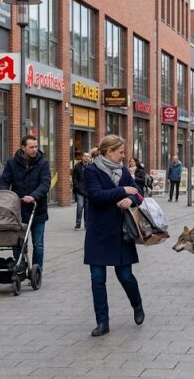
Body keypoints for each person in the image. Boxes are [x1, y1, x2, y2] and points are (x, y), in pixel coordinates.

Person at [84, 135, 145, 337]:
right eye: (120, 152)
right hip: (98, 232)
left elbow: (139, 194)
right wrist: (123, 190)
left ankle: (137, 305)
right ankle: (103, 322)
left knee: (125, 275)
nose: (123, 155)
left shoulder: (124, 171)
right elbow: (96, 196)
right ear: (109, 152)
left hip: (121, 231)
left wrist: (129, 198)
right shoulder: (91, 171)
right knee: (97, 278)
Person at [0, 135, 51, 268]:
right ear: (23, 147)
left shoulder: (43, 163)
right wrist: (5, 195)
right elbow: (4, 181)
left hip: (37, 209)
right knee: (18, 243)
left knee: (38, 244)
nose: (34, 149)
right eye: (31, 147)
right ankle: (20, 267)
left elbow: (45, 184)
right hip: (19, 211)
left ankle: (36, 270)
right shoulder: (12, 163)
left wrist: (34, 196)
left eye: (36, 146)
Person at [72, 152, 91, 231]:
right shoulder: (77, 166)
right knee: (80, 207)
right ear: (82, 157)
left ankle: (86, 225)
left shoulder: (91, 167)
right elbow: (74, 178)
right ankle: (78, 224)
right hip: (80, 190)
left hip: (88, 191)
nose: (86, 158)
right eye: (85, 156)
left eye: (88, 156)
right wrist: (77, 187)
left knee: (87, 208)